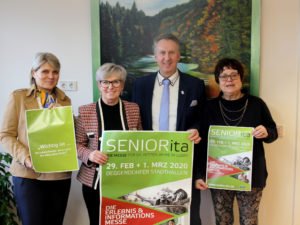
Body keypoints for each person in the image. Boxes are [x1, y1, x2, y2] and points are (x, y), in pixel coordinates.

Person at [132, 33, 206, 225]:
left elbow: (201, 120)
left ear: (179, 56)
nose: (167, 58)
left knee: (186, 216)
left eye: (171, 52)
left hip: (182, 162)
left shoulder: (195, 85)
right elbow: (132, 119)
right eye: (162, 53)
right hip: (149, 162)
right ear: (155, 56)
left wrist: (197, 130)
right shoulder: (140, 85)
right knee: (150, 215)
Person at [195, 58, 278, 225]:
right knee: (222, 221)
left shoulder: (256, 104)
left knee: (249, 221)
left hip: (251, 176)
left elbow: (273, 131)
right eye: (224, 76)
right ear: (218, 80)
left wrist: (266, 132)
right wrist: (199, 174)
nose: (229, 79)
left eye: (234, 75)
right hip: (219, 174)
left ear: (241, 78)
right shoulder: (209, 107)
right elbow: (201, 144)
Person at [0, 52, 72, 225]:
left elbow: (68, 135)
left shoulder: (64, 100)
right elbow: (6, 135)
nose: (51, 76)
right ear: (34, 72)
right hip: (28, 174)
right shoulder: (19, 97)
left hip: (59, 175)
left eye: (55, 72)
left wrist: (64, 119)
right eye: (45, 71)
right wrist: (26, 158)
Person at [75, 63, 142, 225]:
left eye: (115, 82)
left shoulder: (133, 109)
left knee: (125, 222)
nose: (110, 86)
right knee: (97, 222)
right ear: (99, 85)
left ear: (122, 85)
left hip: (126, 180)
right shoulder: (85, 111)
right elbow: (77, 144)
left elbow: (141, 140)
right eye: (105, 82)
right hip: (94, 181)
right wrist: (90, 154)